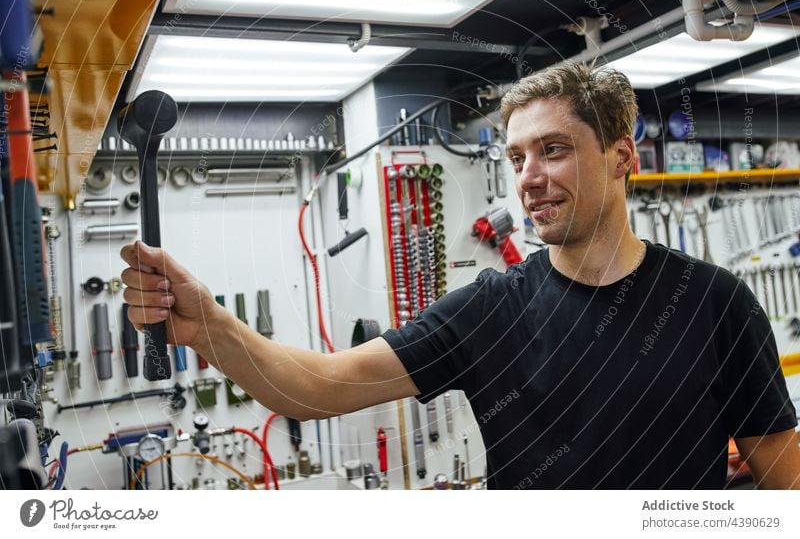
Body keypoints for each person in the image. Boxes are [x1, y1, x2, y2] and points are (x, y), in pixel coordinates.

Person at [120, 62, 800, 490]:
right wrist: (206, 321)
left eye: (554, 150)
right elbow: (313, 388)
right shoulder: (492, 309)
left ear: (621, 155)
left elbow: (784, 480)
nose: (529, 177)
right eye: (517, 156)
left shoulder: (715, 304)